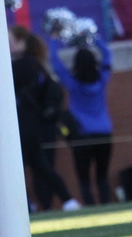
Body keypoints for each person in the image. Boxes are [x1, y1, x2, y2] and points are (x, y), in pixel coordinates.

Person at [9, 25, 81, 212]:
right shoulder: (35, 64)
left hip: (25, 124)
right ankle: (67, 200)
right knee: (41, 166)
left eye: (10, 41)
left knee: (14, 169)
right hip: (31, 124)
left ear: (22, 43)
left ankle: (25, 206)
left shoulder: (23, 65)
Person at [50, 36, 114, 205]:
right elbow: (107, 55)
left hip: (81, 136)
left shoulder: (72, 84)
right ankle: (106, 205)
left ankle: (90, 208)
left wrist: (54, 39)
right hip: (104, 133)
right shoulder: (102, 80)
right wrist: (93, 38)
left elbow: (55, 62)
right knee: (102, 176)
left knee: (84, 178)